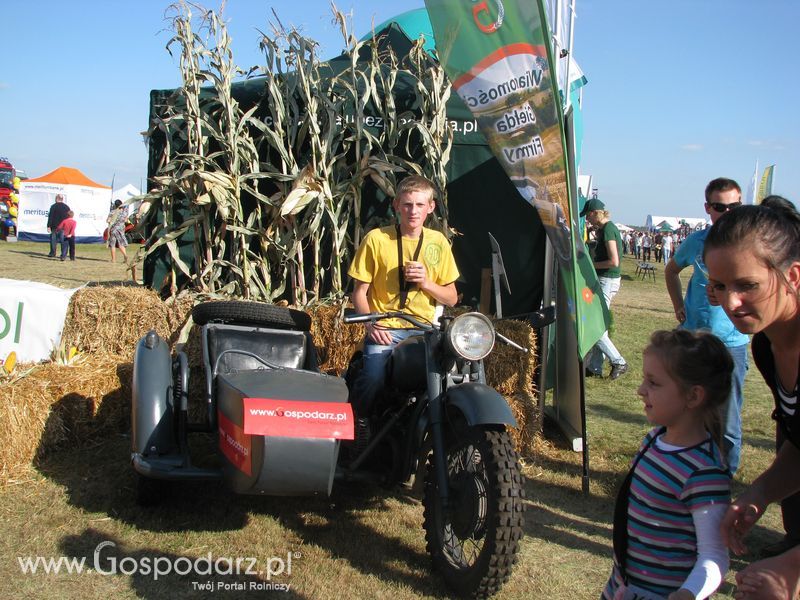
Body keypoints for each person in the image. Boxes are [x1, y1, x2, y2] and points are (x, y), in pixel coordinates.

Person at [704, 197, 800, 600]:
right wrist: (759, 494)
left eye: (747, 285)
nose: (731, 303)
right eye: (720, 286)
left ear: (793, 275)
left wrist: (791, 569)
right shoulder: (766, 345)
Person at [603, 329, 732, 600]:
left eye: (653, 383)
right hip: (622, 587)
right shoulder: (654, 439)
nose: (641, 390)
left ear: (693, 397)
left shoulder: (703, 473)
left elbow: (714, 555)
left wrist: (689, 593)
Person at [348, 175, 459, 417]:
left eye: (420, 205)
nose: (413, 211)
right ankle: (356, 426)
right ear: (396, 205)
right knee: (374, 378)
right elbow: (359, 293)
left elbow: (451, 298)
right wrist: (370, 324)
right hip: (385, 328)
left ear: (431, 208)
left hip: (424, 331)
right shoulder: (377, 239)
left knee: (451, 378)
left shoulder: (438, 242)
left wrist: (426, 282)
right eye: (407, 204)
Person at [664, 177, 749, 475]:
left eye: (734, 206)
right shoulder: (697, 241)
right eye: (719, 207)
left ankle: (725, 478)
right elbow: (671, 270)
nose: (726, 212)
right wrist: (678, 305)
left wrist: (727, 294)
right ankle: (678, 471)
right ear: (708, 208)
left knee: (727, 418)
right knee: (682, 408)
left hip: (732, 342)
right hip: (693, 339)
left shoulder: (748, 244)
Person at [581, 198, 628, 379]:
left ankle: (619, 361)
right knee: (599, 324)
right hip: (606, 280)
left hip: (606, 280)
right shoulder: (606, 229)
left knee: (596, 325)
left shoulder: (608, 229)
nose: (588, 220)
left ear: (595, 213)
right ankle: (595, 367)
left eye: (588, 216)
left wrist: (592, 264)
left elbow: (613, 261)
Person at [46, 193, 70, 258]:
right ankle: (63, 255)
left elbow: (50, 217)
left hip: (54, 227)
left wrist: (48, 226)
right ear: (62, 199)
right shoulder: (67, 207)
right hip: (64, 228)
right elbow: (69, 218)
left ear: (56, 199)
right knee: (63, 241)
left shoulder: (53, 206)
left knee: (53, 241)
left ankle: (52, 253)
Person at [106, 199, 129, 263]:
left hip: (113, 230)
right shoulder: (124, 212)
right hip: (121, 229)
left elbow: (108, 220)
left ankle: (114, 259)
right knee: (121, 243)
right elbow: (126, 221)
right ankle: (125, 256)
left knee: (112, 244)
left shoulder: (112, 212)